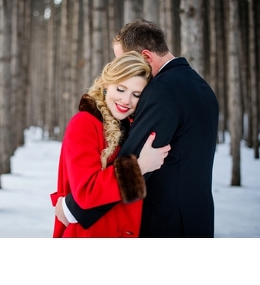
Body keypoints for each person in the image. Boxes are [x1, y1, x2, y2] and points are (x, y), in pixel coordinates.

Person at [61, 19, 220, 237]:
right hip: (196, 218)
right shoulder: (201, 87)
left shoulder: (163, 90)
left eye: (123, 59)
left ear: (145, 56)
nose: (121, 68)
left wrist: (73, 210)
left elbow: (135, 156)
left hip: (166, 223)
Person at [50, 51, 170, 237]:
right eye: (120, 89)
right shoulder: (85, 123)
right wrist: (139, 167)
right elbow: (86, 193)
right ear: (107, 84)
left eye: (136, 94)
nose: (125, 100)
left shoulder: (132, 127)